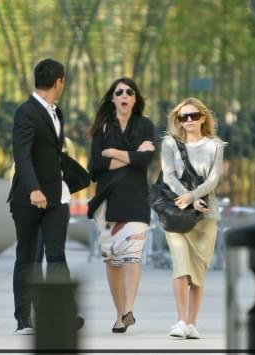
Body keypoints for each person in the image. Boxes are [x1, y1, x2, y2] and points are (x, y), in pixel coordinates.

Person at [7, 58, 86, 335]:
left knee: (56, 255)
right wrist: (34, 189)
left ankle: (60, 315)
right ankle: (23, 319)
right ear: (59, 81)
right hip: (27, 199)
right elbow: (22, 154)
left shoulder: (56, 112)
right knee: (27, 257)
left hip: (56, 198)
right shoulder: (25, 112)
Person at [87, 77, 155, 333]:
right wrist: (131, 156)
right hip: (106, 203)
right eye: (119, 92)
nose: (124, 95)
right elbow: (95, 165)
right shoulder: (102, 128)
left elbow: (146, 159)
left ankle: (128, 309)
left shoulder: (145, 125)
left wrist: (112, 153)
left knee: (132, 256)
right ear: (112, 98)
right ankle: (119, 315)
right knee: (113, 261)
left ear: (135, 98)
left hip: (136, 200)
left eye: (129, 92)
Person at [161, 97, 226, 339]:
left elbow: (214, 179)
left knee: (198, 273)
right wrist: (187, 198)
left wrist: (196, 196)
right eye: (183, 117)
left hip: (206, 215)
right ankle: (180, 321)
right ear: (178, 120)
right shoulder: (170, 144)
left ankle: (191, 324)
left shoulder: (215, 145)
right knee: (181, 267)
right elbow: (168, 176)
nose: (189, 120)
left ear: (203, 118)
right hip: (177, 213)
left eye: (193, 116)